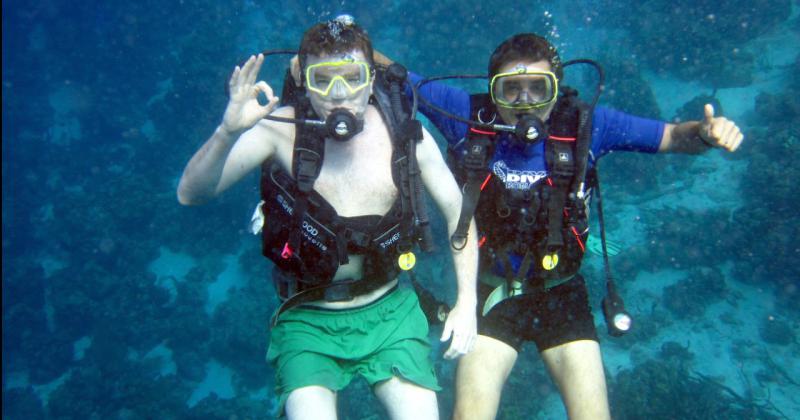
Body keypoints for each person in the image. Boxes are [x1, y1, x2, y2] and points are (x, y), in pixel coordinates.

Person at [377, 33, 743, 419]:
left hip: (561, 292)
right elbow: (396, 76)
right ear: (492, 92)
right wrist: (334, 49)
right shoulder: (468, 117)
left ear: (557, 89)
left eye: (538, 88)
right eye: (510, 90)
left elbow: (671, 137)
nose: (524, 103)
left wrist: (704, 133)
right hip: (491, 294)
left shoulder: (587, 124)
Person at [177, 17, 478, 420]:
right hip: (307, 318)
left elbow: (461, 215)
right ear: (304, 82)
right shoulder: (277, 129)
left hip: (391, 310)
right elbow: (190, 193)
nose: (340, 95)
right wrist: (227, 132)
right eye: (323, 80)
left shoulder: (407, 137)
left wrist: (467, 302)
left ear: (372, 80)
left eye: (353, 78)